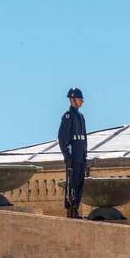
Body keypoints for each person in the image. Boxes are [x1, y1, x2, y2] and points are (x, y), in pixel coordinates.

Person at [57, 87, 88, 219]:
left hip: (81, 155)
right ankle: (71, 210)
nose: (81, 102)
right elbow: (62, 137)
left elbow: (84, 137)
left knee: (80, 182)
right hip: (73, 156)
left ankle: (76, 208)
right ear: (72, 99)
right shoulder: (68, 116)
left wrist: (85, 154)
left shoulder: (81, 117)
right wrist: (66, 155)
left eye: (82, 100)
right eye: (79, 99)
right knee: (72, 183)